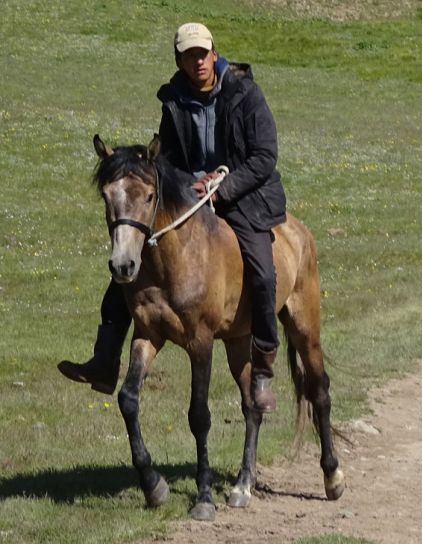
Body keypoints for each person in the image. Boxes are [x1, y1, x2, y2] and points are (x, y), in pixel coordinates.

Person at [58, 22, 286, 413]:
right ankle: (104, 359)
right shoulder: (174, 100)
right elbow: (168, 160)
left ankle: (263, 368)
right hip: (192, 197)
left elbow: (264, 156)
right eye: (188, 55)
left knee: (264, 273)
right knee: (127, 269)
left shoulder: (245, 93)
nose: (197, 61)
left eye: (202, 53)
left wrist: (224, 185)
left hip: (243, 194)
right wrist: (180, 183)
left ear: (214, 53)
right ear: (179, 60)